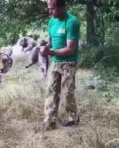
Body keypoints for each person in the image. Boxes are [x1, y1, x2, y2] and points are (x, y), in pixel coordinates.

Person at [40, 0, 80, 130]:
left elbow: (70, 49)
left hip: (69, 62)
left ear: (62, 7)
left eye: (52, 9)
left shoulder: (71, 22)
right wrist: (45, 48)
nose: (50, 12)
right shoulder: (52, 21)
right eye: (49, 8)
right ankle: (49, 121)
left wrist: (51, 52)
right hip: (55, 61)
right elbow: (50, 42)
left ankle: (73, 119)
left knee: (68, 92)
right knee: (51, 90)